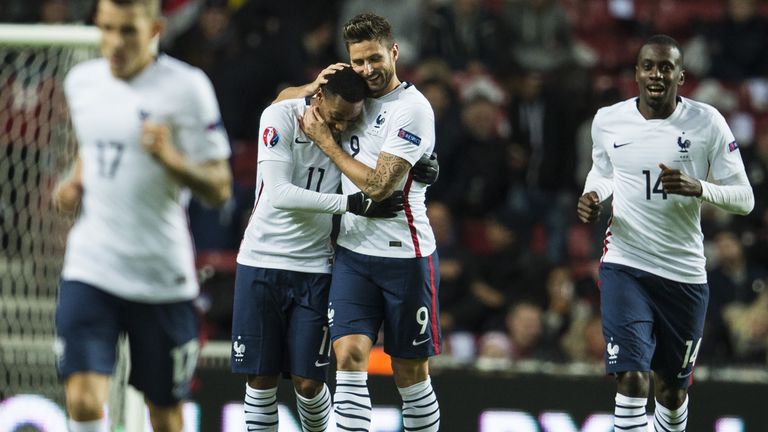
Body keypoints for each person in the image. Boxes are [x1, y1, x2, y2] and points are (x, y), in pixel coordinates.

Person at [52, 1, 233, 431]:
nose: (115, 44)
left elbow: (220, 186)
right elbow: (94, 144)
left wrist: (171, 159)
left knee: (165, 414)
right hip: (91, 266)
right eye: (108, 29)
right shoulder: (82, 82)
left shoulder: (186, 87)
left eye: (128, 32)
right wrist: (74, 181)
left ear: (154, 29)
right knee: (81, 398)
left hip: (160, 278)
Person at [577, 34, 754, 432]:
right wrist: (593, 195)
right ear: (636, 73)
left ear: (681, 76)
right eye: (649, 66)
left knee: (671, 393)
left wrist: (700, 188)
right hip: (625, 264)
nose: (657, 74)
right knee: (632, 378)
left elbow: (746, 199)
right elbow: (604, 171)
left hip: (683, 274)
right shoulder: (608, 120)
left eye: (666, 67)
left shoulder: (706, 121)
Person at [283, 13, 441, 432]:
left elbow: (379, 187)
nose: (368, 69)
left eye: (375, 58)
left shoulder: (412, 109)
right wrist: (313, 86)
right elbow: (281, 101)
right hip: (353, 254)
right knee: (349, 357)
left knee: (410, 373)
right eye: (358, 61)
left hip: (406, 255)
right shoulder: (350, 96)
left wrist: (327, 144)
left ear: (393, 52)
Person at [230, 66, 406, 432]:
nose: (341, 127)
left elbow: (391, 153)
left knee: (309, 384)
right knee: (260, 380)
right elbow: (279, 195)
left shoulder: (353, 127)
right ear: (320, 97)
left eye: (350, 119)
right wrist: (352, 204)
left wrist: (421, 168)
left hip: (316, 266)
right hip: (261, 259)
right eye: (336, 117)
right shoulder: (280, 117)